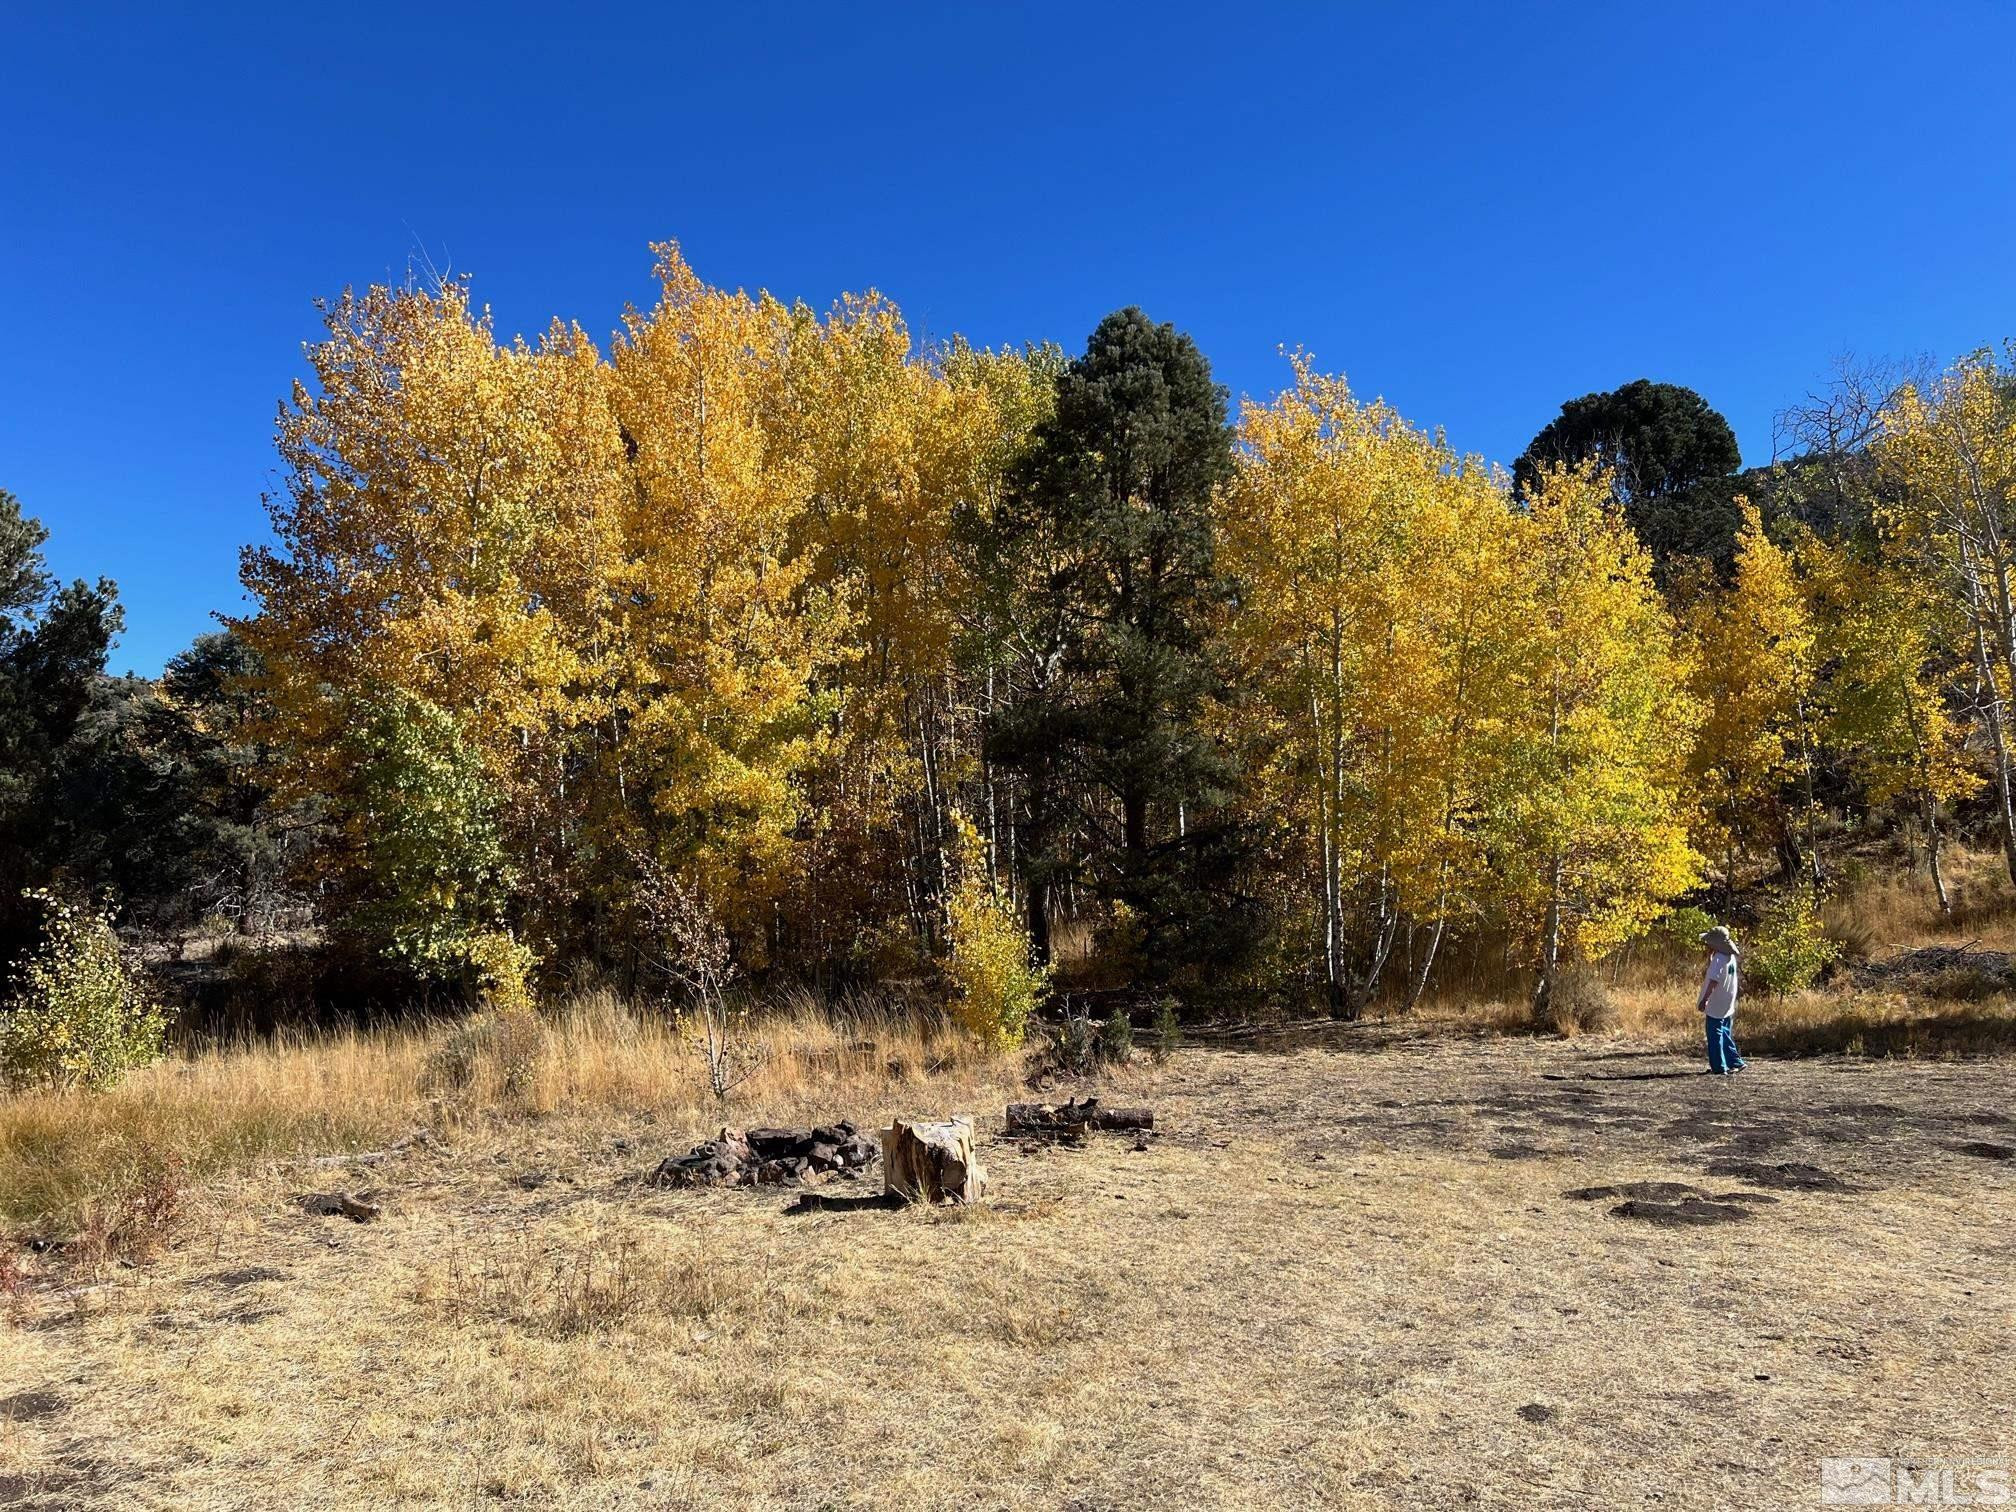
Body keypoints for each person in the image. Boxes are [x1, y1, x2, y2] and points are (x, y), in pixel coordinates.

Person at [1697, 925, 1745, 1075]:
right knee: (1724, 1032)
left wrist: (1705, 999)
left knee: (1714, 1035)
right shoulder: (1729, 958)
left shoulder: (1719, 959)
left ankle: (1719, 1067)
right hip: (1727, 1001)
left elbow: (1713, 981)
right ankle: (1734, 1061)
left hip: (1717, 1003)